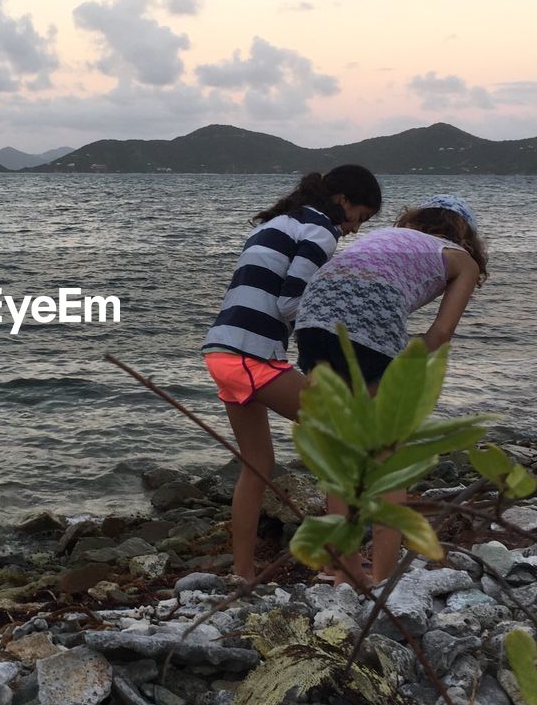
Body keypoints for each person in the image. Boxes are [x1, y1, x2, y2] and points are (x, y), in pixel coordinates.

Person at [295, 194, 488, 585]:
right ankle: (381, 574)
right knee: (388, 455)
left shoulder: (386, 237)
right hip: (371, 314)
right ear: (465, 235)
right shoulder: (461, 259)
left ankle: (342, 566)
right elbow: (441, 331)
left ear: (415, 221)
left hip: (312, 311)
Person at [202, 166, 383, 580]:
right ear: (343, 201)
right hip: (253, 353)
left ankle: (243, 574)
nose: (355, 228)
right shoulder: (321, 230)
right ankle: (342, 563)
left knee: (257, 465)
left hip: (221, 349)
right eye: (361, 216)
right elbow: (291, 303)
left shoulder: (280, 221)